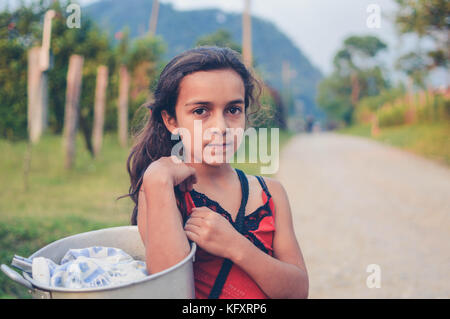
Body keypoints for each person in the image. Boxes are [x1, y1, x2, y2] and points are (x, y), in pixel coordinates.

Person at [121, 46, 308, 299]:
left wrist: (236, 246)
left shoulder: (271, 194)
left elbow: (297, 292)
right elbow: (170, 294)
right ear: (171, 121)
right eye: (201, 111)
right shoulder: (164, 192)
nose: (220, 127)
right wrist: (156, 176)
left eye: (233, 110)